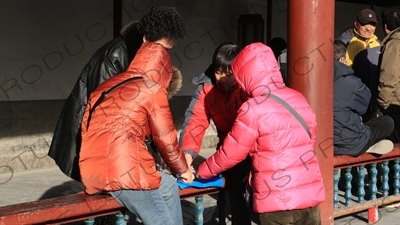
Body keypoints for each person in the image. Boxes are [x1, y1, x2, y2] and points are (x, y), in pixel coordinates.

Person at [79, 6, 194, 225]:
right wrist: (184, 170)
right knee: (161, 221)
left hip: (93, 171)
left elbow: (86, 127)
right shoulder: (152, 88)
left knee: (168, 187)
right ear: (165, 70)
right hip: (126, 172)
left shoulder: (107, 86)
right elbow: (166, 138)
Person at [196, 42, 325, 225]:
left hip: (277, 201)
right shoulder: (298, 97)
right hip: (310, 196)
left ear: (245, 76)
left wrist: (200, 171)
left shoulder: (253, 108)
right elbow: (310, 141)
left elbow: (231, 154)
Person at [47, 21, 143, 181]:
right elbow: (103, 104)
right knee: (99, 184)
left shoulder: (130, 55)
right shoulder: (116, 53)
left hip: (104, 134)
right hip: (91, 128)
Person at [179, 42, 252, 225]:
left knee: (244, 188)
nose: (223, 78)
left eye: (229, 74)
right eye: (219, 72)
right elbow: (195, 121)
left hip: (252, 147)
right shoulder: (206, 87)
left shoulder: (248, 86)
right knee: (232, 188)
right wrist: (187, 155)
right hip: (227, 146)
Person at [333, 40, 394, 157]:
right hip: (351, 143)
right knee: (387, 122)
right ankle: (367, 145)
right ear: (342, 59)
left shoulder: (312, 82)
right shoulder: (352, 83)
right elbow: (363, 108)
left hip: (323, 142)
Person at [346, 8, 381, 121]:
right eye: (364, 23)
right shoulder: (349, 44)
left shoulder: (379, 45)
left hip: (375, 103)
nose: (369, 28)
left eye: (372, 24)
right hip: (355, 102)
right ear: (356, 24)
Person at [378, 5, 400, 143]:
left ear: (386, 27)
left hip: (395, 104)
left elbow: (389, 76)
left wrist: (384, 104)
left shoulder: (395, 44)